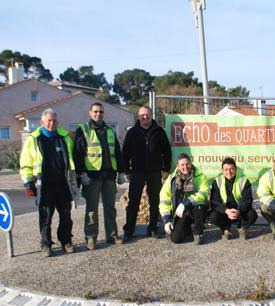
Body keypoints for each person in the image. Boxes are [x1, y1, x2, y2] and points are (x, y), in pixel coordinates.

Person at [19, 108, 77, 257]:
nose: (52, 123)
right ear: (42, 122)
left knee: (66, 216)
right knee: (45, 217)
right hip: (44, 185)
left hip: (63, 184)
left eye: (54, 120)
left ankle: (66, 241)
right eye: (49, 121)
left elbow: (72, 160)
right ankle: (46, 244)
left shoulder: (64, 137)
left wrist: (75, 179)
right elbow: (25, 162)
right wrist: (27, 182)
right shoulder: (34, 139)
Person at [74, 102, 126, 250]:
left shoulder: (109, 130)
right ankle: (91, 238)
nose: (98, 114)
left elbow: (117, 152)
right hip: (92, 176)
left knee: (110, 207)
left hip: (109, 175)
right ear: (90, 113)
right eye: (95, 111)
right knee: (92, 209)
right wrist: (82, 174)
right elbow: (78, 154)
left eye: (101, 112)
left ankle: (112, 235)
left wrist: (121, 172)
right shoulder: (83, 130)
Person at [121, 106, 171, 241]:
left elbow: (167, 151)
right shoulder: (132, 132)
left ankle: (153, 228)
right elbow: (125, 153)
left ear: (151, 115)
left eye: (148, 115)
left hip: (155, 172)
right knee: (133, 202)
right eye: (142, 115)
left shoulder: (159, 131)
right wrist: (126, 170)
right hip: (137, 172)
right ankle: (129, 230)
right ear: (138, 116)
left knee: (155, 201)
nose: (145, 117)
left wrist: (166, 169)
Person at [159, 153, 209, 244]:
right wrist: (166, 220)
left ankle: (198, 233)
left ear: (191, 163)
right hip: (180, 213)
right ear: (178, 166)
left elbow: (203, 193)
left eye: (188, 164)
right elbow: (164, 201)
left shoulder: (200, 176)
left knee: (200, 206)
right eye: (182, 165)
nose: (185, 167)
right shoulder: (171, 179)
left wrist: (186, 202)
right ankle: (189, 230)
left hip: (194, 210)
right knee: (175, 239)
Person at [209, 157, 258, 240]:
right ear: (222, 170)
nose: (229, 172)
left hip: (240, 212)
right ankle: (225, 229)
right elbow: (214, 201)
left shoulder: (243, 180)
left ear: (235, 169)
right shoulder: (217, 181)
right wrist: (227, 211)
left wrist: (239, 211)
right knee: (213, 216)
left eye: (231, 169)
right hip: (225, 212)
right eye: (226, 169)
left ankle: (242, 228)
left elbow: (248, 200)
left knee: (252, 214)